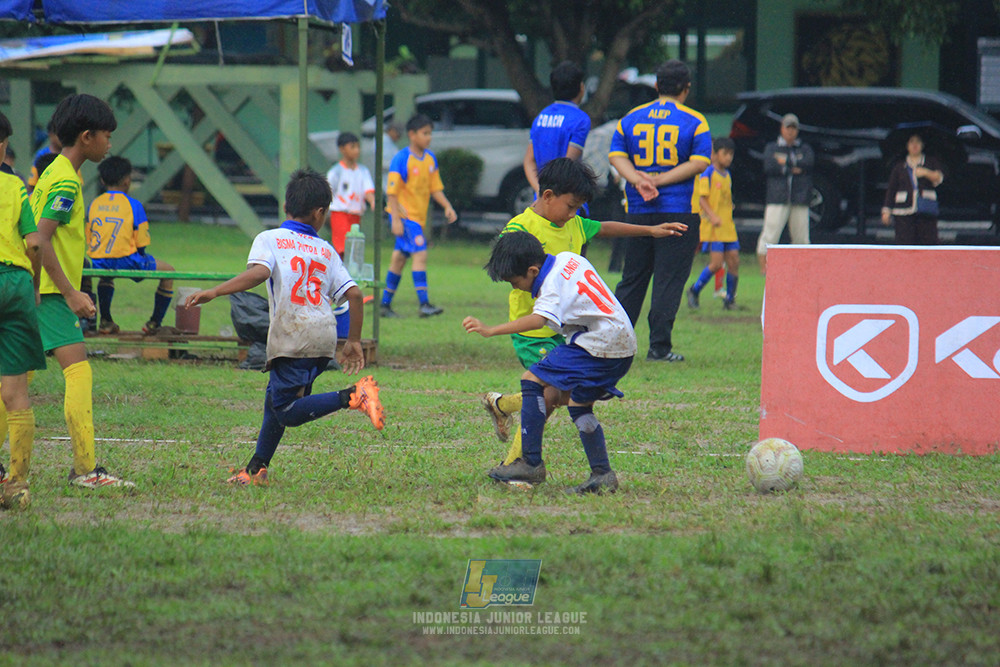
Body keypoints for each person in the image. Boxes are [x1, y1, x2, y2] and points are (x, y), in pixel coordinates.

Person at [480, 158, 688, 469]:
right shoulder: (520, 230)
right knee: (547, 396)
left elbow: (604, 227)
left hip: (570, 331)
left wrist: (650, 230)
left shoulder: (573, 223)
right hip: (533, 329)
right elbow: (505, 266)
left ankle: (502, 405)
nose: (574, 214)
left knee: (554, 395)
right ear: (548, 195)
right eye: (571, 205)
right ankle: (517, 464)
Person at [184, 170, 386, 485]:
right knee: (274, 402)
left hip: (293, 336)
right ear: (320, 213)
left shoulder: (270, 239)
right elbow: (355, 295)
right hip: (323, 335)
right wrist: (353, 342)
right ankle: (256, 470)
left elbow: (258, 274)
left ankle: (353, 396)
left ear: (285, 207)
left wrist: (215, 291)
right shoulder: (327, 250)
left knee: (287, 412)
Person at [463, 231, 636, 494]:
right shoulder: (568, 259)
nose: (516, 287)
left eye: (515, 281)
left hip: (600, 342)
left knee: (531, 379)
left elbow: (537, 320)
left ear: (533, 270)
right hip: (623, 343)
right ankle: (602, 474)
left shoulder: (550, 288)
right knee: (578, 404)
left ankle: (530, 463)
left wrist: (491, 329)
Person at [30, 93, 133, 489]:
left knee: (15, 380)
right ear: (87, 137)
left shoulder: (53, 171)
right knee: (78, 373)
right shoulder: (66, 183)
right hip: (50, 294)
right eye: (107, 136)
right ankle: (86, 469)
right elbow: (42, 238)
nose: (110, 144)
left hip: (35, 289)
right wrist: (71, 292)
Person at [609, 59, 711, 362]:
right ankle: (659, 346)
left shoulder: (630, 118)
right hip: (678, 210)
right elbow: (700, 162)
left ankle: (615, 342)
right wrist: (659, 179)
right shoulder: (695, 120)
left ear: (656, 85)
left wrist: (640, 179)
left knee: (633, 277)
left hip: (638, 210)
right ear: (686, 88)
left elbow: (617, 156)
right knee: (668, 279)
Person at [0, 112, 46, 509]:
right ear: (3, 146)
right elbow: (34, 243)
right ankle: (16, 485)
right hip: (14, 284)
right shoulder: (14, 185)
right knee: (16, 393)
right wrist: (32, 288)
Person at [86, 156, 176, 335]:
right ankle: (154, 323)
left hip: (98, 261)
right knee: (169, 272)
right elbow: (141, 243)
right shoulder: (133, 205)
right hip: (127, 260)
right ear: (127, 181)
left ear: (102, 180)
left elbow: (90, 237)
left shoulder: (94, 204)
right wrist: (140, 257)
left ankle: (105, 321)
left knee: (106, 277)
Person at [380, 113, 457, 318]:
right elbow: (392, 193)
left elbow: (435, 188)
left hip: (416, 219)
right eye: (425, 133)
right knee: (420, 254)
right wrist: (395, 219)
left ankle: (384, 305)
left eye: (430, 133)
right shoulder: (402, 158)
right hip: (404, 217)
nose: (429, 137)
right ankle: (424, 304)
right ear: (412, 135)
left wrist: (447, 206)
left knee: (398, 259)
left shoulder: (430, 159)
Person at [756, 113, 814, 274]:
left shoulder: (804, 148)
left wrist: (785, 163)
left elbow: (808, 163)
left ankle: (801, 271)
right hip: (777, 198)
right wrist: (794, 167)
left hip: (799, 199)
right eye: (788, 128)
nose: (791, 132)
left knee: (801, 238)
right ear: (782, 128)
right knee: (770, 235)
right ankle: (764, 270)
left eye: (794, 128)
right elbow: (769, 166)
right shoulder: (772, 147)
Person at [687, 137, 740, 310]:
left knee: (734, 261)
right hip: (715, 226)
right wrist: (713, 216)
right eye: (725, 154)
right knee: (717, 263)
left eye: (731, 154)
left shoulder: (729, 175)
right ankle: (694, 290)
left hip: (728, 225)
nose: (729, 158)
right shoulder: (708, 173)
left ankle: (730, 300)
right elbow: (702, 199)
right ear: (715, 154)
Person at [523, 60, 591, 195]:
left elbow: (529, 161)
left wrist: (540, 191)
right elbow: (567, 165)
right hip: (567, 197)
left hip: (542, 199)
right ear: (581, 87)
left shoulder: (541, 116)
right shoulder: (580, 119)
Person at [881, 133, 944, 245]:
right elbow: (892, 189)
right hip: (903, 212)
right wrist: (886, 211)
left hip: (926, 211)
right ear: (907, 146)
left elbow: (939, 179)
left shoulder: (931, 162)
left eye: (918, 142)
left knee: (928, 243)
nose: (915, 145)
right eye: (911, 142)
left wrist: (925, 172)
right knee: (905, 243)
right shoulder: (900, 166)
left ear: (922, 145)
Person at [326, 132, 375, 257]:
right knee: (342, 247)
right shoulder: (336, 171)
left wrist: (372, 201)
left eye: (358, 147)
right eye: (352, 147)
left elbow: (368, 190)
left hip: (356, 214)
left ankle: (348, 273)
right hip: (340, 213)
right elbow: (328, 191)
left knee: (354, 247)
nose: (356, 150)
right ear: (342, 149)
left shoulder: (363, 171)